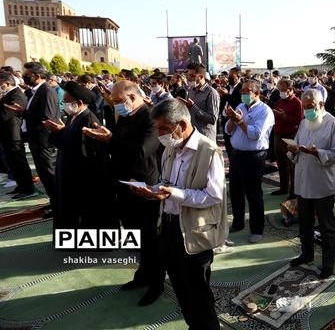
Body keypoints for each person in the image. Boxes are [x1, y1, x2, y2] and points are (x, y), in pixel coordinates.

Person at [131, 99, 227, 330]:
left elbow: (214, 196)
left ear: (182, 125)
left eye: (164, 128)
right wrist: (150, 191)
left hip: (195, 234)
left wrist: (174, 193)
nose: (159, 134)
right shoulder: (171, 149)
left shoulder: (209, 151)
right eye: (157, 128)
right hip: (169, 228)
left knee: (198, 295)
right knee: (181, 289)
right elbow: (167, 183)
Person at [82, 80, 165, 306]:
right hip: (123, 185)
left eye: (119, 101)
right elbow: (118, 148)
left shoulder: (150, 117)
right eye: (115, 101)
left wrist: (111, 139)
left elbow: (141, 152)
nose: (116, 105)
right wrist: (106, 138)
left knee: (150, 238)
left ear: (134, 97)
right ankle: (143, 274)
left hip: (144, 187)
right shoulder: (126, 116)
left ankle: (156, 283)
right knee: (134, 235)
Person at [42, 82, 116, 229]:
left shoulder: (89, 120)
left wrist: (59, 132)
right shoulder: (74, 117)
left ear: (80, 103)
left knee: (89, 213)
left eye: (67, 101)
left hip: (84, 176)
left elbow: (80, 148)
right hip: (70, 172)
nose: (65, 104)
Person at [287, 89, 335, 279]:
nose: (306, 111)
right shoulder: (304, 123)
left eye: (309, 107)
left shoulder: (334, 125)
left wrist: (316, 152)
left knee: (326, 227)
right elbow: (295, 146)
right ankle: (307, 253)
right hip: (303, 182)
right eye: (304, 107)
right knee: (304, 222)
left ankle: (328, 263)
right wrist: (294, 150)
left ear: (321, 105)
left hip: (322, 185)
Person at [4, 62, 60, 213]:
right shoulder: (36, 91)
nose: (23, 78)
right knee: (44, 174)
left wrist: (23, 112)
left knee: (48, 174)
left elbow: (46, 117)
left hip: (43, 140)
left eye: (26, 75)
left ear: (36, 76)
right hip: (36, 139)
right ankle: (54, 201)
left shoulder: (46, 91)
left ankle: (59, 204)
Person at [225, 79, 274, 243]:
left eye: (247, 91)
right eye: (242, 91)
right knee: (235, 192)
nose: (243, 94)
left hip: (254, 156)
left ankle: (257, 228)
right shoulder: (239, 107)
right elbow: (228, 130)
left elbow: (255, 134)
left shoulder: (265, 111)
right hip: (237, 154)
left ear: (257, 93)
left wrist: (240, 120)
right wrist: (232, 118)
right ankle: (238, 223)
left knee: (253, 194)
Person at [0, 72, 35, 196]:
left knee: (19, 162)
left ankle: (27, 188)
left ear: (7, 83)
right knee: (12, 162)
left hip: (14, 134)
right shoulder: (7, 94)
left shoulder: (17, 95)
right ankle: (21, 185)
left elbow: (6, 115)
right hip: (6, 134)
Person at [271, 78, 303, 198]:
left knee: (291, 166)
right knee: (280, 164)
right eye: (280, 89)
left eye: (283, 90)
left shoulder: (297, 103)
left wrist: (284, 117)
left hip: (290, 137)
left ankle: (293, 191)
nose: (281, 92)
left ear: (290, 89)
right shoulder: (280, 101)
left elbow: (299, 121)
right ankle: (283, 187)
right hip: (278, 136)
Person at [178, 63, 219, 141]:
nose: (188, 78)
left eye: (192, 76)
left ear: (201, 76)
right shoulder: (190, 91)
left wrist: (193, 107)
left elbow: (213, 119)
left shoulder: (211, 93)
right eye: (188, 75)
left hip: (205, 139)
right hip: (191, 137)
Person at [217, 67, 243, 158]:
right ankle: (232, 170)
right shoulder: (227, 87)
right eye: (229, 76)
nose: (229, 78)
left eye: (232, 76)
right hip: (225, 120)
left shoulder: (242, 88)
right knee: (228, 146)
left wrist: (227, 95)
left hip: (235, 121)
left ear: (238, 76)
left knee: (234, 147)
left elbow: (240, 104)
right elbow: (223, 102)